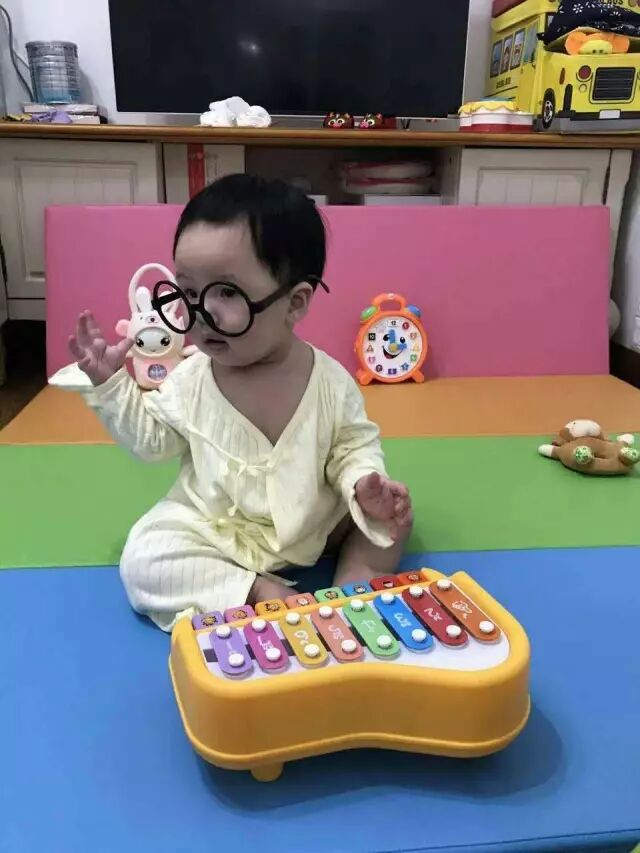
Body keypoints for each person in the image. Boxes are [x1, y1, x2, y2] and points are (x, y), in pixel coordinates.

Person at [69, 174, 413, 631]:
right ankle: (254, 589)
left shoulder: (330, 382)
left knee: (394, 520)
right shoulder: (191, 379)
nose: (202, 313)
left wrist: (363, 485)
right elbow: (152, 442)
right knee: (143, 558)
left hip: (315, 524)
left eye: (227, 292)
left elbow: (352, 446)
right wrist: (112, 386)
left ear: (295, 303)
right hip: (219, 530)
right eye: (189, 292)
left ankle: (356, 579)